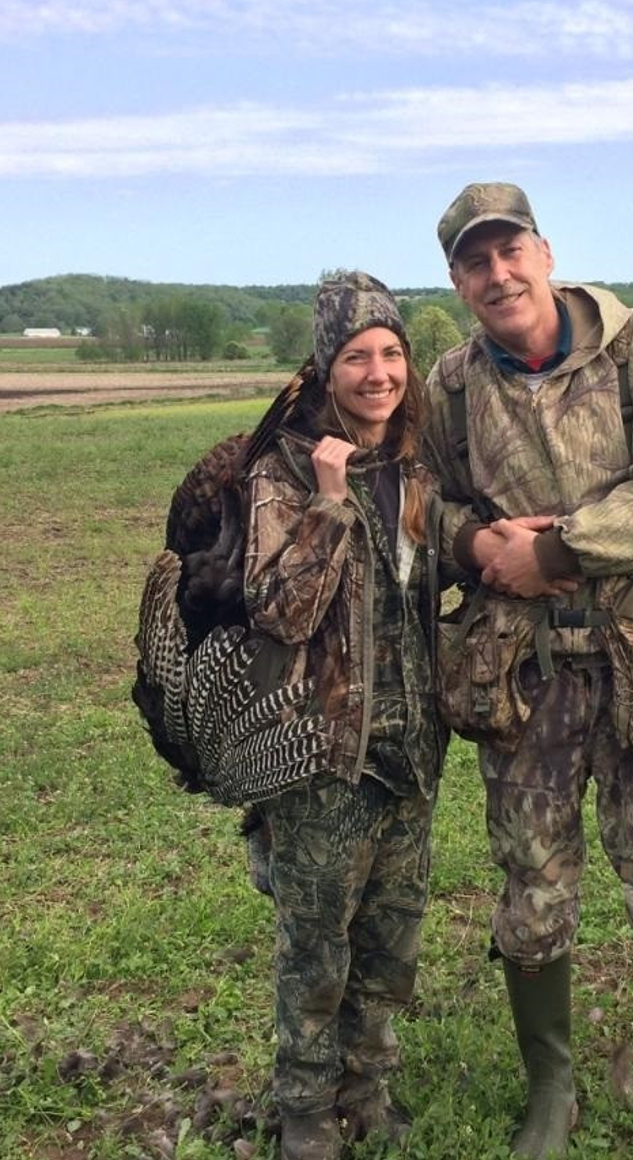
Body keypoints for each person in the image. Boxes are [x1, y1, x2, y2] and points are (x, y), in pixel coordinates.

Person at [419, 183, 633, 1158]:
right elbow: (427, 507)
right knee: (532, 888)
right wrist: (478, 545)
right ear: (458, 280)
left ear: (546, 253)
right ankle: (551, 1091)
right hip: (522, 678)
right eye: (475, 262)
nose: (497, 273)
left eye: (509, 251)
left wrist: (555, 548)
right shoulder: (450, 387)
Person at [243, 272, 450, 1160]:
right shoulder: (282, 473)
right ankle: (302, 1110)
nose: (378, 372)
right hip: (323, 757)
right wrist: (328, 506)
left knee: (391, 938)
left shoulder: (417, 466)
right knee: (314, 947)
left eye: (392, 352)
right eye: (357, 356)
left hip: (410, 751)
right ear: (325, 368)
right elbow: (279, 613)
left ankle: (365, 1089)